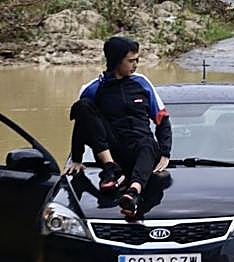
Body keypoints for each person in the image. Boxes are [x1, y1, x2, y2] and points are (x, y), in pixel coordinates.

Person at [67, 37, 172, 217]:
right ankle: (110, 169)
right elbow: (83, 123)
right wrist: (76, 158)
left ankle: (133, 192)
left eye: (137, 60)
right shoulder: (93, 88)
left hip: (142, 150)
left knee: (147, 142)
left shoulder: (142, 82)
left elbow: (162, 119)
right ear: (116, 60)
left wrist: (165, 152)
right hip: (113, 150)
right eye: (131, 61)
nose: (136, 65)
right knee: (81, 106)